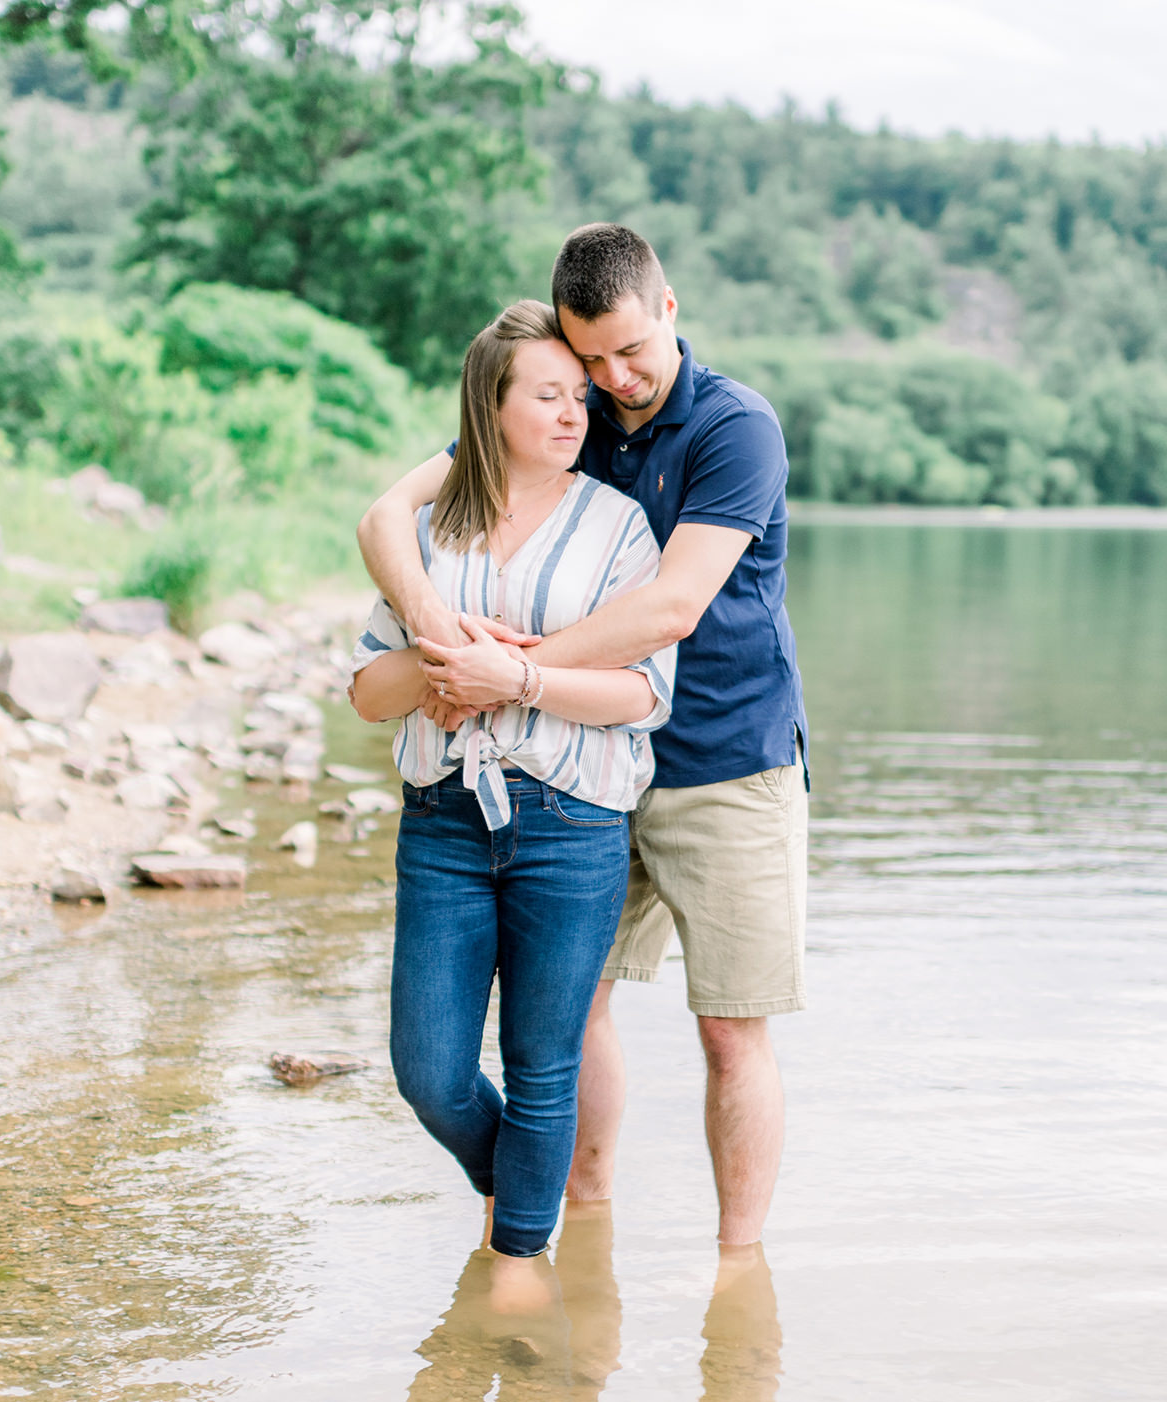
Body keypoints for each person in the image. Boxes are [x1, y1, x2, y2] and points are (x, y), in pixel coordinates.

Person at [358, 223, 807, 1250]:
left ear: (670, 309)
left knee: (733, 1031)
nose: (612, 378)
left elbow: (672, 608)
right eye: (587, 357)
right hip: (578, 779)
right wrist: (434, 627)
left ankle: (739, 1269)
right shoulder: (570, 408)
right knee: (572, 1018)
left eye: (629, 352)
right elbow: (389, 516)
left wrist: (512, 675)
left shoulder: (737, 427)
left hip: (724, 764)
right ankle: (575, 1224)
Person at [347, 298, 677, 1313]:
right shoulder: (427, 535)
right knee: (430, 1068)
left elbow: (642, 693)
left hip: (572, 820)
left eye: (579, 396)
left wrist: (517, 681)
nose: (575, 412)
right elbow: (367, 692)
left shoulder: (619, 527)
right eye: (548, 394)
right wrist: (444, 657)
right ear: (490, 406)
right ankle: (515, 1196)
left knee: (544, 1063)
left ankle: (520, 1263)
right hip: (443, 819)